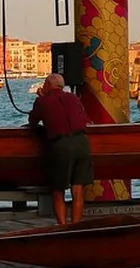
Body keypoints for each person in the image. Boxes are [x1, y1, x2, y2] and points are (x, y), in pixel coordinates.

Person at [28, 73, 93, 226]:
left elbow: (32, 121)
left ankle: (62, 226)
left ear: (49, 85)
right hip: (82, 142)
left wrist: (40, 98)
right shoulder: (74, 98)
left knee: (58, 190)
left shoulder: (42, 101)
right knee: (78, 190)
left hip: (61, 144)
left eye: (44, 83)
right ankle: (76, 225)